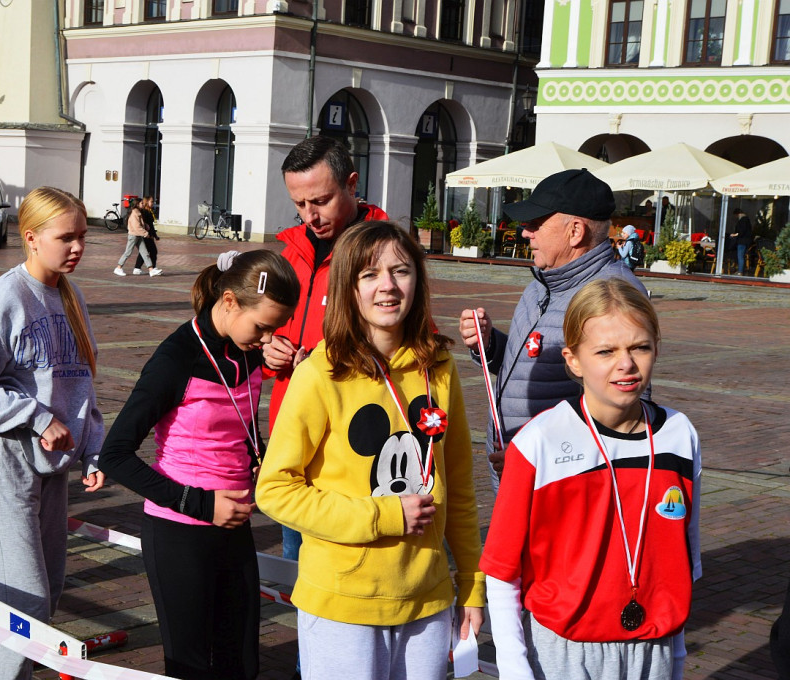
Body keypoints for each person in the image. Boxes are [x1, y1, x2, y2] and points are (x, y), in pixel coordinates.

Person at [256, 221, 485, 680]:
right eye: (369, 275)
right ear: (348, 287)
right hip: (342, 601)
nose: (387, 286)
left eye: (400, 271)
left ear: (417, 280)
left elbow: (458, 486)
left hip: (427, 599)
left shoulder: (438, 367)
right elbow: (276, 490)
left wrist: (472, 587)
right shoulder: (320, 373)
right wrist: (382, 516)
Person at [481, 278, 701, 680]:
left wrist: (678, 652)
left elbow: (685, 554)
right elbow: (501, 571)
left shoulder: (679, 433)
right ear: (574, 360)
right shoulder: (538, 442)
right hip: (565, 650)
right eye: (606, 351)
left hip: (654, 646)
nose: (626, 364)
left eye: (640, 347)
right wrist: (514, 666)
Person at [98, 250, 299, 679]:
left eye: (276, 329)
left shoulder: (246, 351)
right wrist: (203, 505)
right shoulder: (175, 359)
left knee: (241, 663)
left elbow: (239, 422)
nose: (267, 339)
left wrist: (258, 456)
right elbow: (114, 455)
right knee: (189, 666)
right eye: (263, 327)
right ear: (229, 302)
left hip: (234, 527)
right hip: (180, 532)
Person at [0, 187, 104, 680]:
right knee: (22, 605)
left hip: (53, 469)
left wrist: (93, 450)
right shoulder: (1, 299)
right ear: (31, 238)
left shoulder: (71, 297)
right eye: (65, 238)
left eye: (82, 237)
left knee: (46, 593)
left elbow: (81, 384)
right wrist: (34, 417)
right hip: (3, 462)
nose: (76, 247)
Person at [458, 168, 645, 491]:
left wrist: (538, 459)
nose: (525, 233)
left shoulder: (612, 296)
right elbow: (534, 363)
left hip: (562, 485)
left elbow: (622, 417)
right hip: (522, 472)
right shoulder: (543, 283)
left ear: (575, 232)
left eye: (535, 224)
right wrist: (488, 344)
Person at [261, 135, 389, 569]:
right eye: (299, 204)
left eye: (320, 200)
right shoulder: (291, 251)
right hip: (294, 438)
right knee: (300, 573)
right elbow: (267, 327)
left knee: (349, 569)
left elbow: (408, 350)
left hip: (351, 446)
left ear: (352, 184)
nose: (310, 216)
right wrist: (267, 348)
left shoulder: (385, 253)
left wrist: (320, 362)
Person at [114, 197, 161, 277]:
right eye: (141, 203)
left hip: (138, 236)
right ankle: (118, 267)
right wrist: (146, 233)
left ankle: (151, 270)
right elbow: (137, 227)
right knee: (128, 252)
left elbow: (140, 224)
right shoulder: (134, 213)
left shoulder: (138, 212)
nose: (143, 204)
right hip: (133, 236)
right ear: (137, 204)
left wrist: (145, 225)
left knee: (144, 252)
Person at [134, 195, 160, 274]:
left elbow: (152, 225)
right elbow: (144, 224)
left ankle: (137, 268)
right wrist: (149, 234)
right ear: (146, 202)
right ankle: (152, 268)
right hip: (146, 235)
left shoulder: (149, 211)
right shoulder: (144, 212)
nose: (153, 203)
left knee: (146, 251)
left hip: (149, 235)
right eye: (151, 201)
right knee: (152, 251)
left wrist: (155, 235)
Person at [729, 208, 753, 276]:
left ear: (738, 214)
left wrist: (735, 234)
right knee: (741, 256)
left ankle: (740, 271)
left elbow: (741, 231)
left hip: (742, 241)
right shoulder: (747, 220)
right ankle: (740, 270)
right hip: (746, 241)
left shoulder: (743, 220)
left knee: (740, 256)